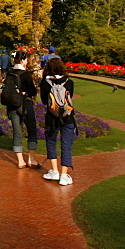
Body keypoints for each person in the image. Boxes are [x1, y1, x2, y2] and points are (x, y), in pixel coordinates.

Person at [40, 56, 75, 186]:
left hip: (51, 116)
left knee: (51, 142)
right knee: (66, 144)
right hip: (67, 117)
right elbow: (69, 98)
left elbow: (44, 101)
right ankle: (64, 175)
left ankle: (54, 171)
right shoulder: (69, 82)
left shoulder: (44, 82)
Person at [5, 49, 39, 168]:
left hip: (11, 105)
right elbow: (33, 91)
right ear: (23, 60)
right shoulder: (25, 75)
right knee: (32, 130)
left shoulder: (10, 73)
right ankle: (31, 159)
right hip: (24, 104)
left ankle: (20, 161)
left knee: (17, 132)